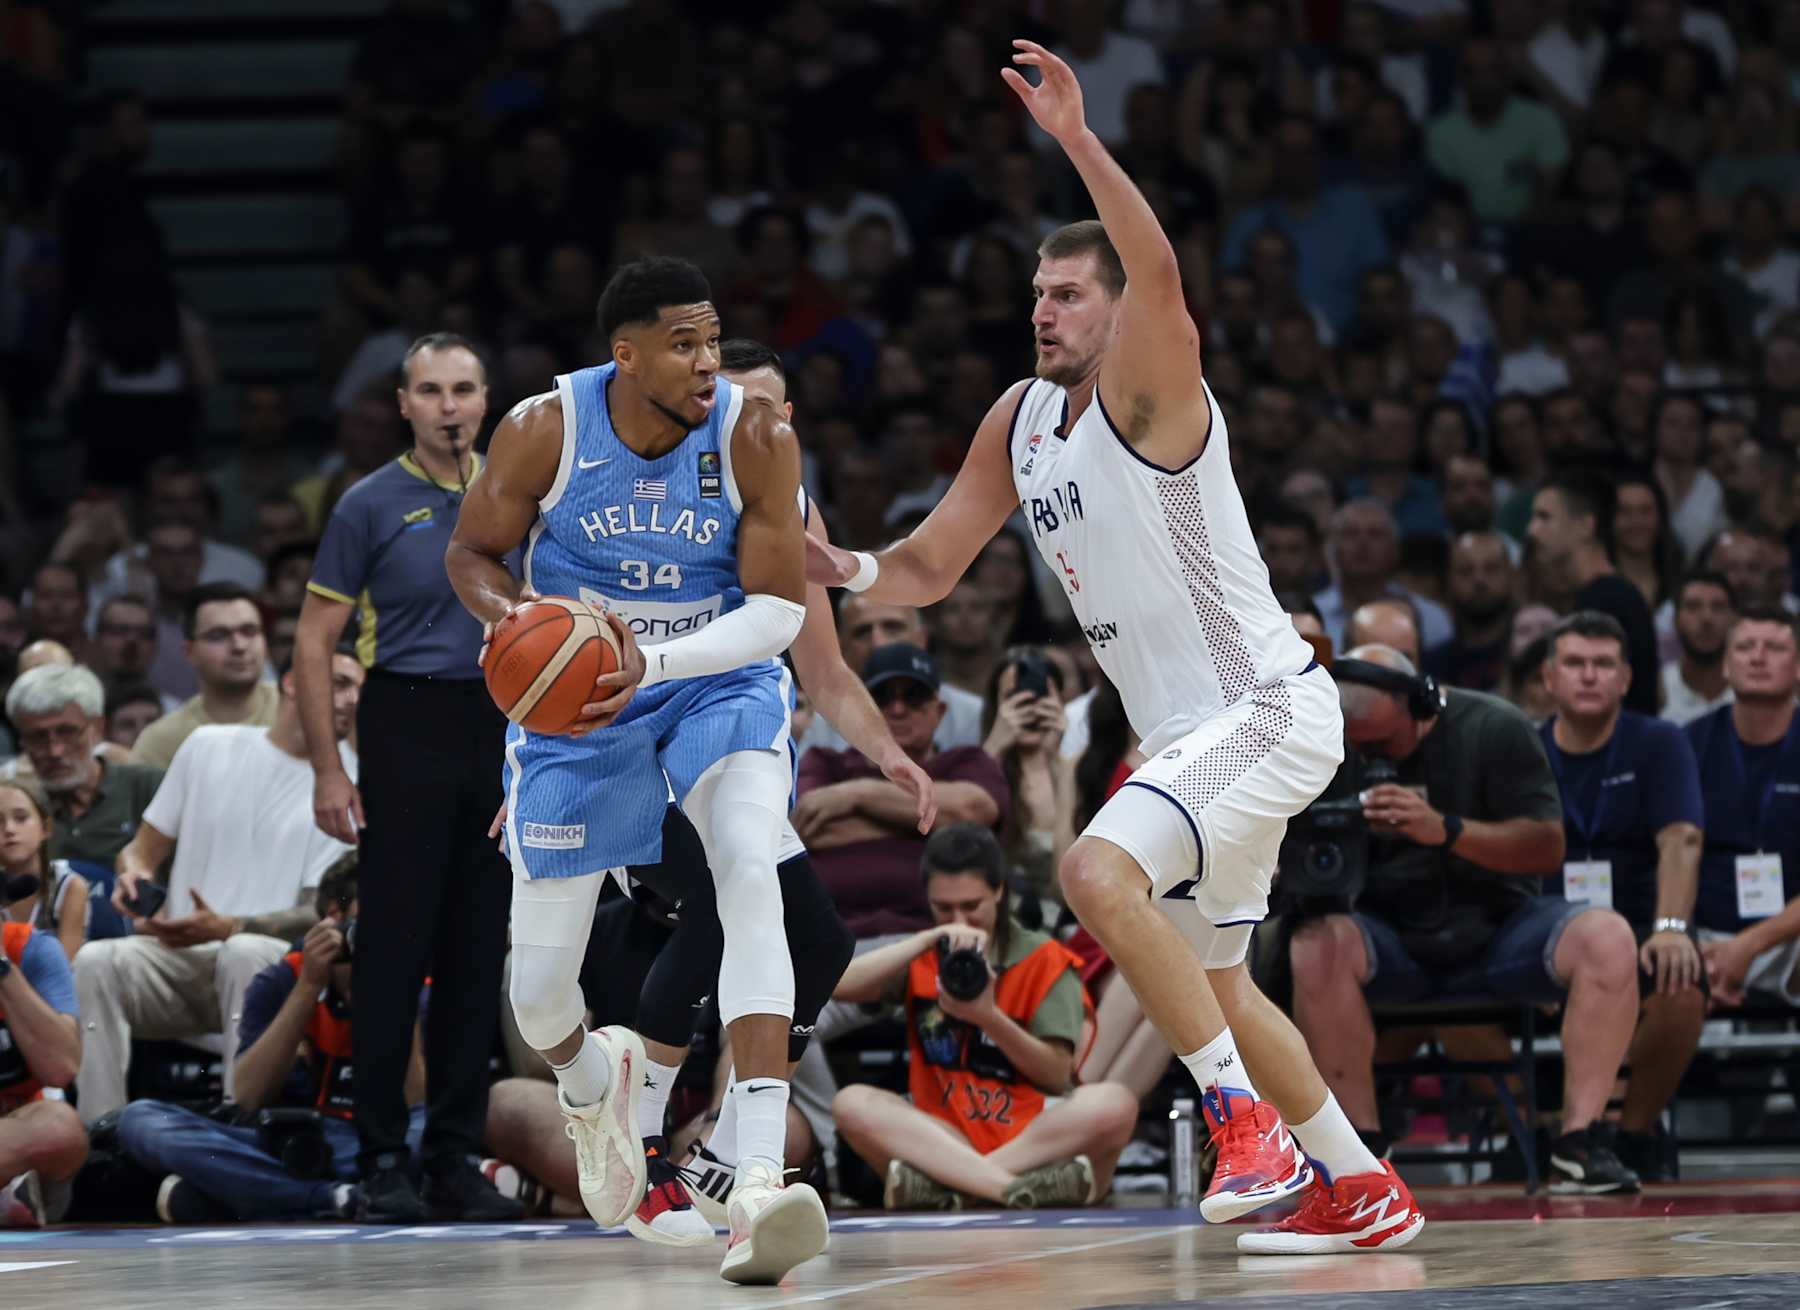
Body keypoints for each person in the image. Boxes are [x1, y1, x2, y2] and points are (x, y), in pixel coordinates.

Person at [807, 43, 1420, 1255]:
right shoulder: (1022, 419)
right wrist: (849, 570)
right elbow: (930, 566)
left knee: (1094, 872)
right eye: (1034, 293)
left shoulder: (1155, 388)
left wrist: (1079, 141)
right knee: (1227, 985)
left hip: (1266, 704)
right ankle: (1360, 1184)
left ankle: (1243, 1126)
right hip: (1197, 735)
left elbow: (1160, 268)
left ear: (1120, 313)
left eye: (1068, 294)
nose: (1042, 309)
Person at [446, 256, 828, 1285]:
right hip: (576, 707)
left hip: (713, 678)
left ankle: (753, 1181)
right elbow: (473, 555)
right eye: (686, 344)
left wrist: (645, 658)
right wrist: (518, 626)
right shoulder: (543, 427)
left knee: (750, 867)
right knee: (537, 994)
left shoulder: (755, 432)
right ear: (626, 353)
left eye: (715, 339)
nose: (711, 361)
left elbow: (780, 612)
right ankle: (591, 1080)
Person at [295, 332, 521, 1225]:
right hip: (405, 718)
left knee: (477, 952)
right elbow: (314, 642)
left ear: (487, 397)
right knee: (393, 952)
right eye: (430, 391)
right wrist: (327, 767)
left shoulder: (524, 494)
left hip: (504, 719)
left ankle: (455, 1157)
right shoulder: (367, 503)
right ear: (403, 405)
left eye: (464, 388)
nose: (449, 406)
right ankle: (384, 1153)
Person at [1289, 646, 1643, 1194]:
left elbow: (1547, 846)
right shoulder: (1324, 746)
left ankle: (1579, 1145)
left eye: (1383, 744)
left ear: (1423, 705)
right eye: (1359, 746)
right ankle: (1361, 1152)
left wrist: (1447, 830)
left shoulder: (1494, 726)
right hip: (1388, 935)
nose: (1372, 756)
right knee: (1315, 943)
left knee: (1608, 936)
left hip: (1501, 928)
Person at [71, 652, 363, 1121]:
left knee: (243, 952)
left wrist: (226, 926)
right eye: (339, 682)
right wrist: (134, 876)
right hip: (178, 955)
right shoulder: (208, 745)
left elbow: (322, 912)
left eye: (357, 689)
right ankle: (97, 1137)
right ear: (291, 682)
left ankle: (234, 1128)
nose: (351, 699)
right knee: (95, 961)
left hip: (273, 967)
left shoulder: (349, 783)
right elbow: (141, 849)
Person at [832, 824, 1135, 1210]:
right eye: (944, 908)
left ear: (998, 891)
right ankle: (1015, 1190)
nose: (960, 920)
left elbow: (1056, 1076)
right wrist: (928, 937)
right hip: (941, 1135)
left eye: (971, 906)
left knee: (1115, 1102)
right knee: (851, 1102)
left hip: (1029, 1137)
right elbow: (841, 985)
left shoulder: (1045, 959)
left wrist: (989, 1018)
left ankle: (953, 1186)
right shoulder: (924, 953)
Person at [115, 862, 422, 1223]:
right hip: (285, 1141)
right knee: (142, 1120)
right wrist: (308, 986)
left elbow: (418, 1100)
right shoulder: (283, 979)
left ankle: (253, 1194)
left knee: (434, 1128)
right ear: (335, 916)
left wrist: (399, 997)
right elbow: (247, 1097)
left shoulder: (420, 978)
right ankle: (337, 1195)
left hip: (382, 1139)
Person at [1537, 613, 1706, 1182]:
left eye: (1604, 664)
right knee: (1463, 991)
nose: (1590, 676)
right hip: (1544, 933)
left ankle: (1630, 1134)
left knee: (1682, 982)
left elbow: (1681, 838)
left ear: (1627, 678)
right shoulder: (1523, 746)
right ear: (1548, 677)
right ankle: (1542, 1128)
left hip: (1640, 927)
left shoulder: (1660, 742)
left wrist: (1671, 926)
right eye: (1576, 664)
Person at [1686, 610, 1800, 1009]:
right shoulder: (1686, 745)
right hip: (1700, 938)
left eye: (1775, 648)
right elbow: (1667, 859)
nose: (1758, 657)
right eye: (1745, 647)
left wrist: (1749, 945)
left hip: (1791, 939)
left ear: (1798, 665)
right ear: (1725, 666)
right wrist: (1678, 938)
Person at [1527, 470, 1660, 714]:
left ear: (1585, 526)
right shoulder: (1612, 594)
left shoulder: (1604, 601)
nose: (1532, 530)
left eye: (1544, 517)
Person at [4, 664, 161, 868]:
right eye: (38, 737)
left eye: (67, 731)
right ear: (22, 742)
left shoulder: (149, 789)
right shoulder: (15, 811)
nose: (55, 751)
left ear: (97, 728)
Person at [795, 595, 985, 752]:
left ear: (922, 638)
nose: (879, 642)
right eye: (862, 632)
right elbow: (806, 796)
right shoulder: (825, 722)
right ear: (841, 647)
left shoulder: (970, 713)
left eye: (893, 627)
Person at [128, 583, 279, 770]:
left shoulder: (302, 712)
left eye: (249, 632)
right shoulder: (162, 742)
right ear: (189, 652)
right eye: (218, 636)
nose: (239, 646)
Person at [0, 909, 84, 1229]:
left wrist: (2, 967)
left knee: (61, 1127)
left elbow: (62, 1068)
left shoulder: (32, 948)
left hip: (15, 1134)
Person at [0, 779, 92, 961]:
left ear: (46, 828)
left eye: (21, 818)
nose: (9, 829)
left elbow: (62, 975)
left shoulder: (70, 887)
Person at [1661, 571, 1737, 726]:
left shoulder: (1759, 689)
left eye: (1718, 607)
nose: (1706, 618)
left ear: (1734, 620)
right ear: (1675, 620)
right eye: (1693, 607)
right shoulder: (1657, 690)